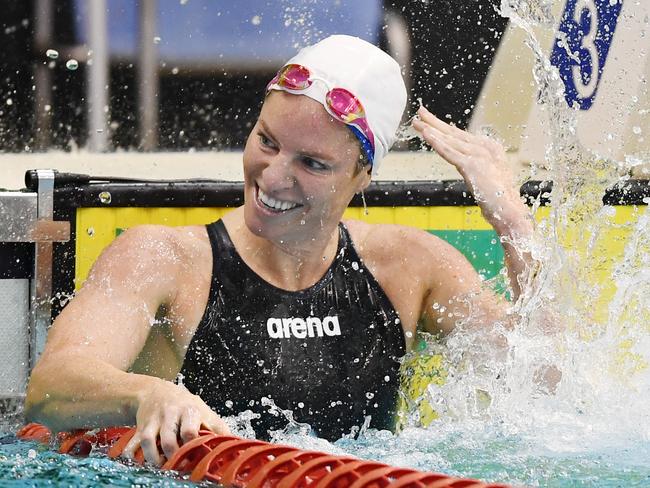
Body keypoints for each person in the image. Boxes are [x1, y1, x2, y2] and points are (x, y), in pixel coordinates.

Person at [25, 35, 534, 465]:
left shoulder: (411, 265)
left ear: (361, 177)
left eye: (312, 164)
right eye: (266, 141)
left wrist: (515, 224)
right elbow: (49, 388)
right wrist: (148, 393)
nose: (272, 176)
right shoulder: (165, 258)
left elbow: (544, 384)